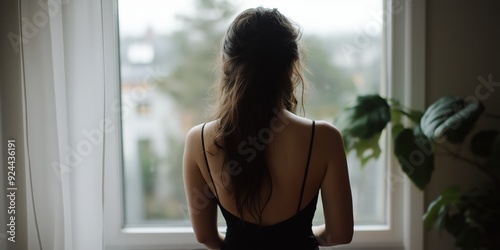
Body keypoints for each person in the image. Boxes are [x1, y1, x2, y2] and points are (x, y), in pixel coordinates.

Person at [183, 7, 353, 250]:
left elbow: (205, 237)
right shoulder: (324, 138)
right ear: (292, 65)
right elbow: (340, 234)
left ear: (227, 64)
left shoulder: (199, 140)